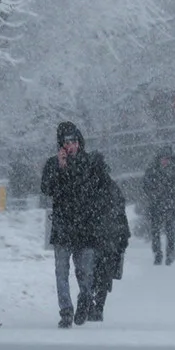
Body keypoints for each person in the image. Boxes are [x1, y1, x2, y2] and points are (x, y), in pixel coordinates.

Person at [40, 121, 108, 328]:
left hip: (85, 226)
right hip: (62, 227)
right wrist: (60, 168)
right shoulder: (53, 164)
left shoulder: (89, 163)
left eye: (74, 141)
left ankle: (85, 299)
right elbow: (47, 189)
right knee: (61, 271)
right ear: (61, 144)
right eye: (67, 142)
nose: (71, 146)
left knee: (84, 271)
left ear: (79, 142)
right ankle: (66, 310)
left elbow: (93, 190)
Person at [87, 167, 131, 322]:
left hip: (95, 238)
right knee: (103, 275)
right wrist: (123, 237)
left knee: (91, 273)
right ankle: (98, 306)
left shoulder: (88, 187)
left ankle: (91, 304)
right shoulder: (112, 188)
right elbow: (120, 214)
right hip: (109, 239)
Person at [143, 145, 175, 265]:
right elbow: (146, 185)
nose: (164, 161)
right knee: (156, 232)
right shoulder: (152, 170)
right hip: (156, 206)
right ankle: (158, 253)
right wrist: (154, 193)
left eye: (167, 158)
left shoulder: (174, 171)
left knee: (170, 231)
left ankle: (170, 253)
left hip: (170, 206)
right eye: (163, 158)